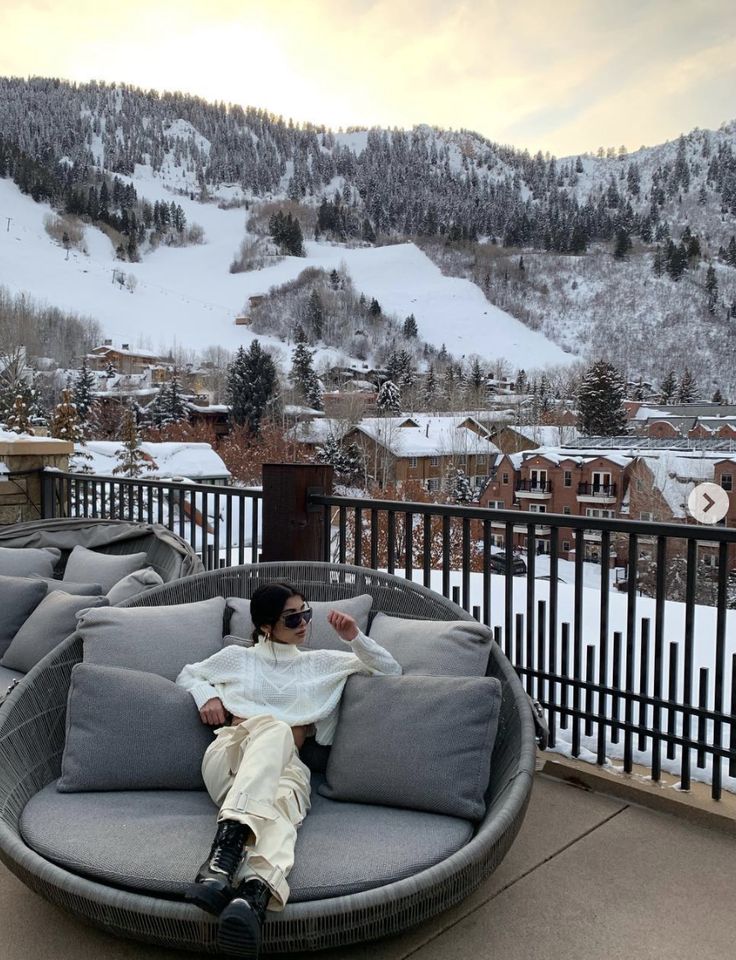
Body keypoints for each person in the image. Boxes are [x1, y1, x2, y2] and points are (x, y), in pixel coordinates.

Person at [176, 581, 401, 958]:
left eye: (306, 613)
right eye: (292, 617)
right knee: (276, 728)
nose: (303, 623)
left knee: (282, 805)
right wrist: (208, 695)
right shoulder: (239, 658)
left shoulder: (320, 663)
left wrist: (354, 637)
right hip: (232, 757)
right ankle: (228, 846)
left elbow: (389, 670)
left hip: (286, 773)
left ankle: (250, 896)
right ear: (265, 626)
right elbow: (189, 673)